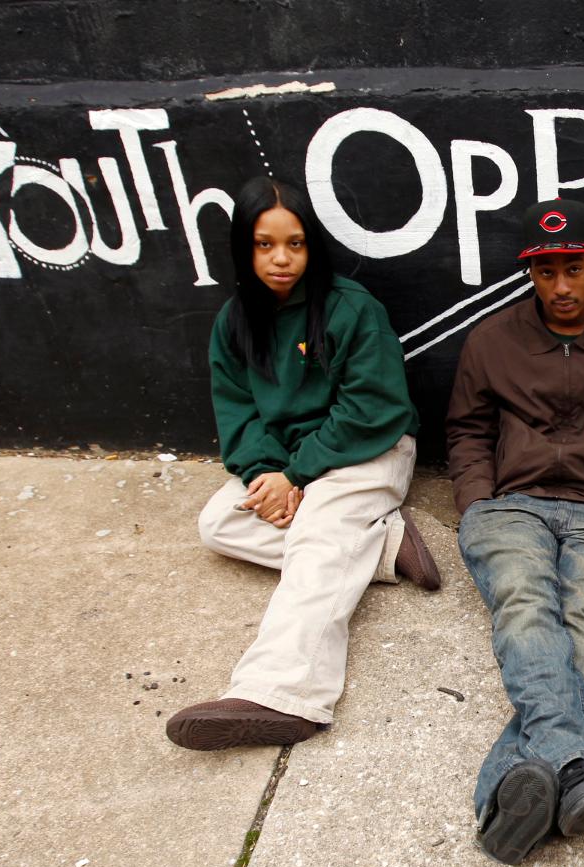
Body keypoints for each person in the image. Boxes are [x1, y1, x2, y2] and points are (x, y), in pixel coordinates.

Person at [166, 175, 441, 752]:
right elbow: (237, 412)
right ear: (245, 249)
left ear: (312, 246)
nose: (281, 259)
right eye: (265, 245)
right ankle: (388, 548)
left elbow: (373, 409)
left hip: (370, 450)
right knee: (219, 523)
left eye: (295, 243)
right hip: (292, 465)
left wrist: (297, 477)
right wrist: (269, 473)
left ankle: (285, 696)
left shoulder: (350, 310)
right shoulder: (234, 322)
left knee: (317, 539)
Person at [446, 197, 584, 865]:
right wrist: (477, 500)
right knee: (525, 607)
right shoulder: (491, 340)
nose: (561, 287)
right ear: (530, 276)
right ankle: (575, 768)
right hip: (512, 504)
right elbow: (467, 431)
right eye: (546, 274)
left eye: (573, 269)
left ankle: (521, 785)